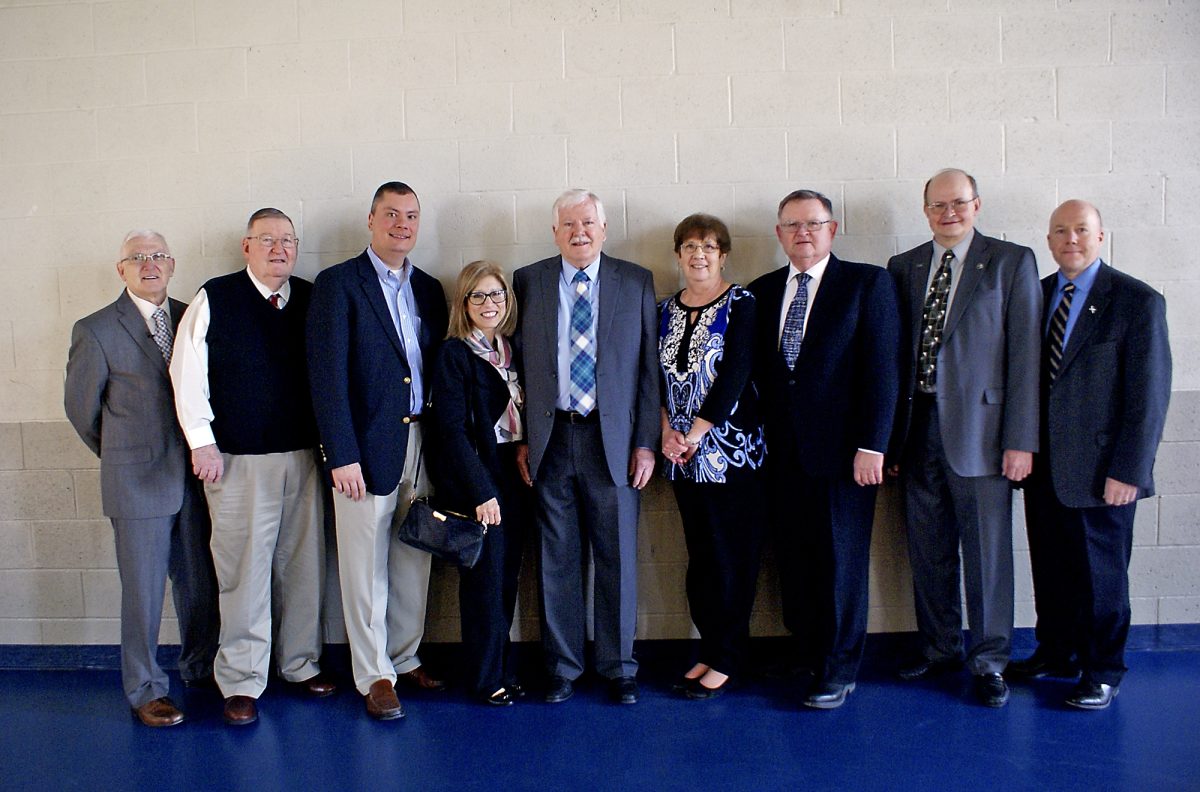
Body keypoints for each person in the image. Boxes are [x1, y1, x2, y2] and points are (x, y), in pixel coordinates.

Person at [171, 208, 334, 726]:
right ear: (246, 246)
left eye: (288, 240)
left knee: (303, 568)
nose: (279, 249)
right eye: (267, 240)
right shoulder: (215, 297)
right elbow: (186, 373)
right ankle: (242, 679)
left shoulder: (310, 298)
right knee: (242, 571)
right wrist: (201, 442)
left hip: (303, 457)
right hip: (236, 461)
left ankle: (300, 664)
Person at [887, 168, 1042, 708]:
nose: (948, 212)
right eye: (937, 205)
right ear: (925, 210)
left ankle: (990, 661)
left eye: (958, 202)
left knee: (986, 556)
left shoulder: (1010, 261)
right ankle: (940, 648)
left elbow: (1025, 356)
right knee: (928, 551)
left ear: (976, 205)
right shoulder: (904, 266)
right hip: (918, 430)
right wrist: (890, 440)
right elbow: (894, 358)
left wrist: (1021, 440)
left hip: (985, 433)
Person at [1008, 200, 1171, 709]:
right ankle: (1057, 652)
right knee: (1051, 568)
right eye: (1060, 231)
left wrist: (1129, 470)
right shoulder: (1035, 296)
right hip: (1044, 469)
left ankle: (1103, 670)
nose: (1071, 239)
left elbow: (1148, 397)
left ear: (1100, 237)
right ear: (1049, 241)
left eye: (1081, 230)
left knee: (1101, 579)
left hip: (1104, 472)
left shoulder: (1136, 301)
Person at [748, 191, 901, 709]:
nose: (803, 233)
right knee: (795, 556)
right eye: (792, 225)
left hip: (845, 456)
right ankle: (808, 650)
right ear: (779, 234)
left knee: (840, 560)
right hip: (780, 454)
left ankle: (839, 666)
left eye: (813, 224)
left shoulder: (866, 283)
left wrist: (874, 445)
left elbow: (884, 370)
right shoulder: (762, 291)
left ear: (832, 229)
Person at [64, 230, 219, 727]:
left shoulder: (192, 316)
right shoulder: (95, 330)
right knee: (144, 591)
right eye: (137, 258)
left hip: (195, 476)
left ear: (172, 264)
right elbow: (82, 412)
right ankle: (146, 688)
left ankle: (200, 668)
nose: (149, 264)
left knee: (199, 583)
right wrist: (122, 456)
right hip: (136, 481)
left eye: (158, 256)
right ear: (122, 269)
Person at [307, 182, 449, 721]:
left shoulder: (429, 288)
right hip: (364, 448)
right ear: (371, 220)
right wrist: (340, 454)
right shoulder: (339, 284)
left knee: (414, 555)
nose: (401, 224)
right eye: (390, 214)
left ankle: (405, 656)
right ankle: (374, 675)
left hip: (422, 442)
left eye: (411, 215)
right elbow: (327, 377)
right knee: (365, 567)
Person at [512, 189, 660, 705]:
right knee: (557, 557)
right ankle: (562, 667)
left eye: (589, 223)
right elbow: (516, 367)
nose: (580, 232)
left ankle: (619, 666)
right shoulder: (528, 281)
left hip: (612, 440)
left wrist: (646, 444)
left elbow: (648, 370)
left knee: (617, 556)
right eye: (569, 224)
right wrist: (523, 437)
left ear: (604, 228)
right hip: (551, 438)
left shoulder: (635, 280)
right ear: (554, 232)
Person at [658, 214, 766, 700]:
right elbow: (653, 379)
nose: (698, 255)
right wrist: (667, 431)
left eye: (708, 246)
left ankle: (729, 656)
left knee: (731, 558)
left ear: (723, 255)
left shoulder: (742, 303)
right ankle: (710, 646)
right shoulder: (664, 310)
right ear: (678, 255)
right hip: (681, 457)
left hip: (731, 455)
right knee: (701, 558)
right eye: (689, 246)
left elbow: (736, 374)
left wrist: (697, 432)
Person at [428, 261, 529, 707]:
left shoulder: (509, 349)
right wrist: (481, 492)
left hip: (514, 471)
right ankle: (485, 678)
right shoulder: (454, 354)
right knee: (484, 583)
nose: (490, 303)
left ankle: (502, 667)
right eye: (479, 296)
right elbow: (451, 432)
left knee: (506, 577)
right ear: (464, 303)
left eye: (497, 294)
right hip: (480, 477)